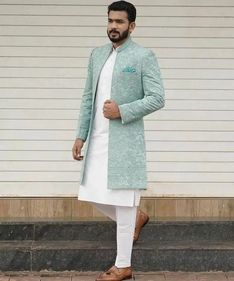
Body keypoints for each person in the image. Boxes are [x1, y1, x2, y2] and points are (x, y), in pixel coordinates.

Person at [72, 1, 165, 280]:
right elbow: (88, 97)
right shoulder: (97, 54)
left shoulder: (143, 56)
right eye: (111, 21)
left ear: (132, 26)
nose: (113, 26)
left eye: (120, 22)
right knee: (89, 191)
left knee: (125, 202)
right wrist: (80, 134)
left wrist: (122, 110)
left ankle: (123, 265)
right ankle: (137, 218)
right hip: (98, 139)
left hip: (125, 142)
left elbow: (157, 98)